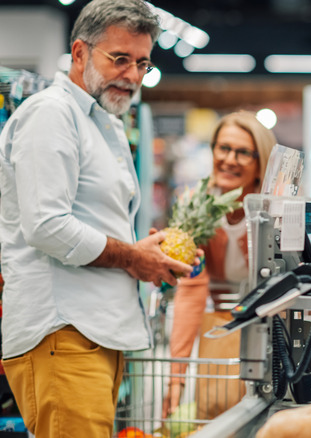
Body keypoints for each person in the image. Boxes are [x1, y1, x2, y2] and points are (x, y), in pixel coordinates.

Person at [0, 1, 196, 436]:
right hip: (62, 333)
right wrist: (132, 258)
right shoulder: (51, 115)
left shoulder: (103, 122)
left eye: (142, 63)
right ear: (80, 53)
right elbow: (47, 226)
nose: (131, 75)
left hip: (97, 334)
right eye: (119, 58)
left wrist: (146, 250)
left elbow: (94, 220)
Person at [162, 111, 276, 418]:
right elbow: (191, 288)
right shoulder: (195, 205)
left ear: (259, 163)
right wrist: (177, 376)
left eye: (243, 152)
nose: (229, 159)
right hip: (221, 333)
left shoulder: (273, 210)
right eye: (223, 148)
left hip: (271, 335)